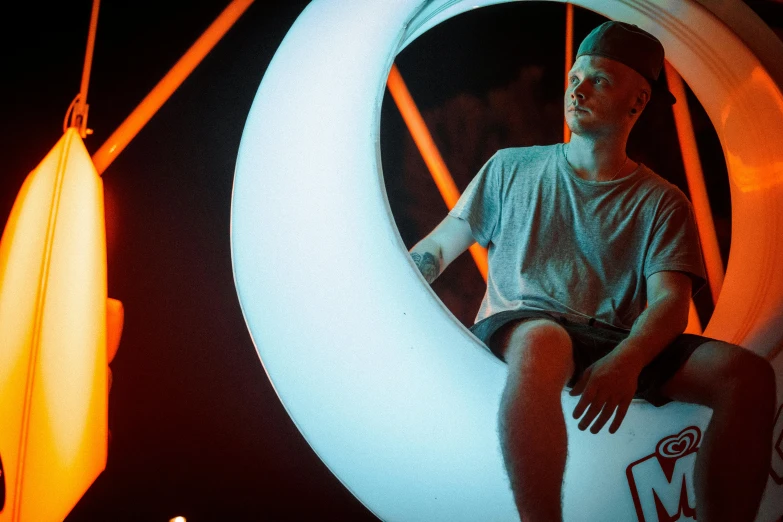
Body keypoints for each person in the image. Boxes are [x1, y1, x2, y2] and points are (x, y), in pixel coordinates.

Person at [409, 21, 776, 522]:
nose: (577, 89)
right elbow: (439, 247)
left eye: (599, 79)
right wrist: (389, 293)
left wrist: (625, 362)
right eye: (574, 77)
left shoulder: (662, 201)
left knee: (748, 376)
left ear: (637, 102)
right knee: (545, 341)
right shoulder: (510, 167)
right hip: (523, 319)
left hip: (613, 338)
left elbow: (670, 302)